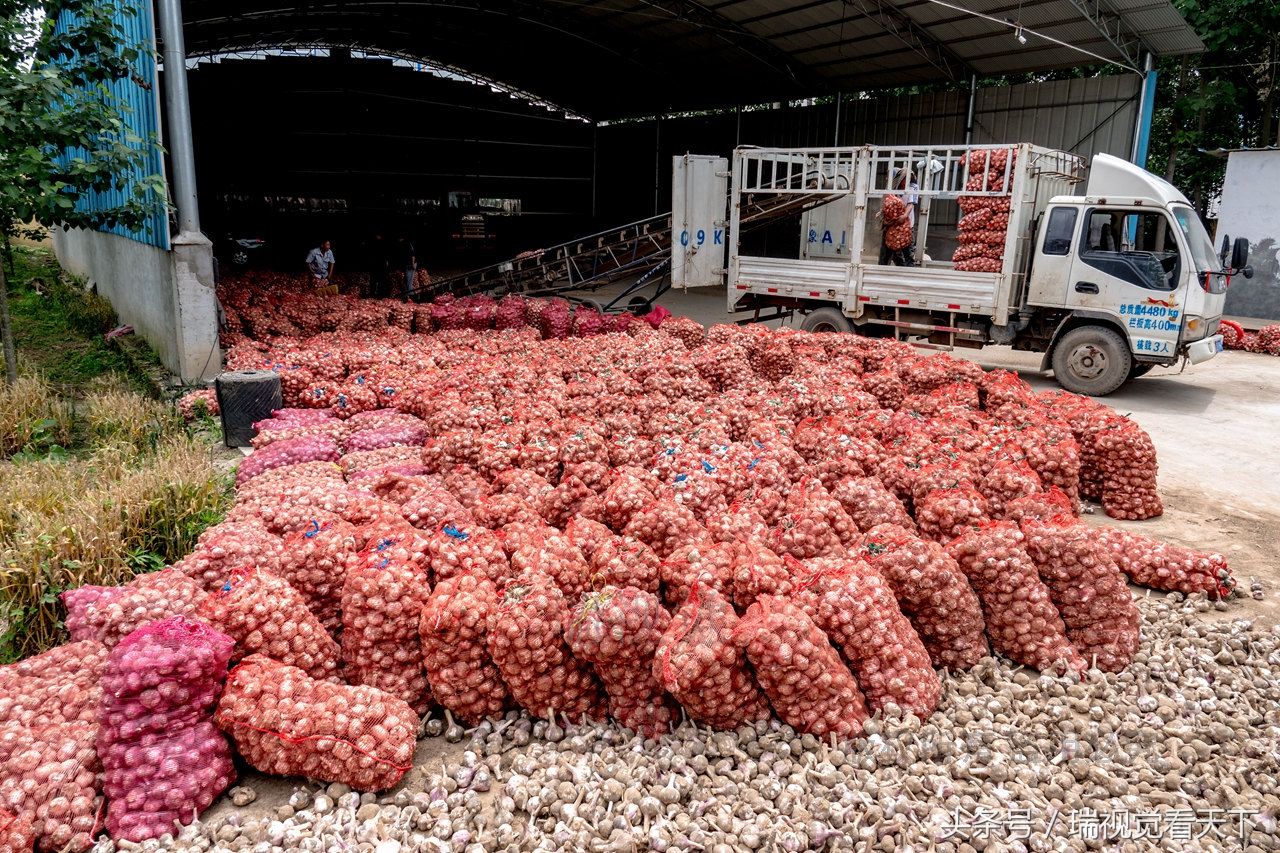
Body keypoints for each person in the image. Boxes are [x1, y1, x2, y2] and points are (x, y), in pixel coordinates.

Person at [878, 168, 920, 267]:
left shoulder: (912, 188)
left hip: (906, 226)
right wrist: (886, 219)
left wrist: (904, 216)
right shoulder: (893, 188)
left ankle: (909, 271)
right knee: (888, 252)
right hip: (891, 226)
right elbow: (886, 205)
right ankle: (884, 270)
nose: (907, 182)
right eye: (905, 179)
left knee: (908, 251)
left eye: (908, 179)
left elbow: (911, 204)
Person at [393, 234, 417, 302]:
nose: (398, 240)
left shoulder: (407, 244)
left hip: (410, 265)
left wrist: (413, 264)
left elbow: (412, 255)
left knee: (409, 281)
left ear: (401, 239)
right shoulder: (401, 245)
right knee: (406, 280)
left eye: (398, 239)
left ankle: (412, 297)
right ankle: (407, 296)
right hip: (406, 265)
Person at [368, 233, 390, 298]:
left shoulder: (381, 244)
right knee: (376, 280)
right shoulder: (375, 244)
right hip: (377, 264)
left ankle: (378, 294)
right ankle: (375, 294)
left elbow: (386, 256)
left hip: (379, 264)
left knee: (378, 280)